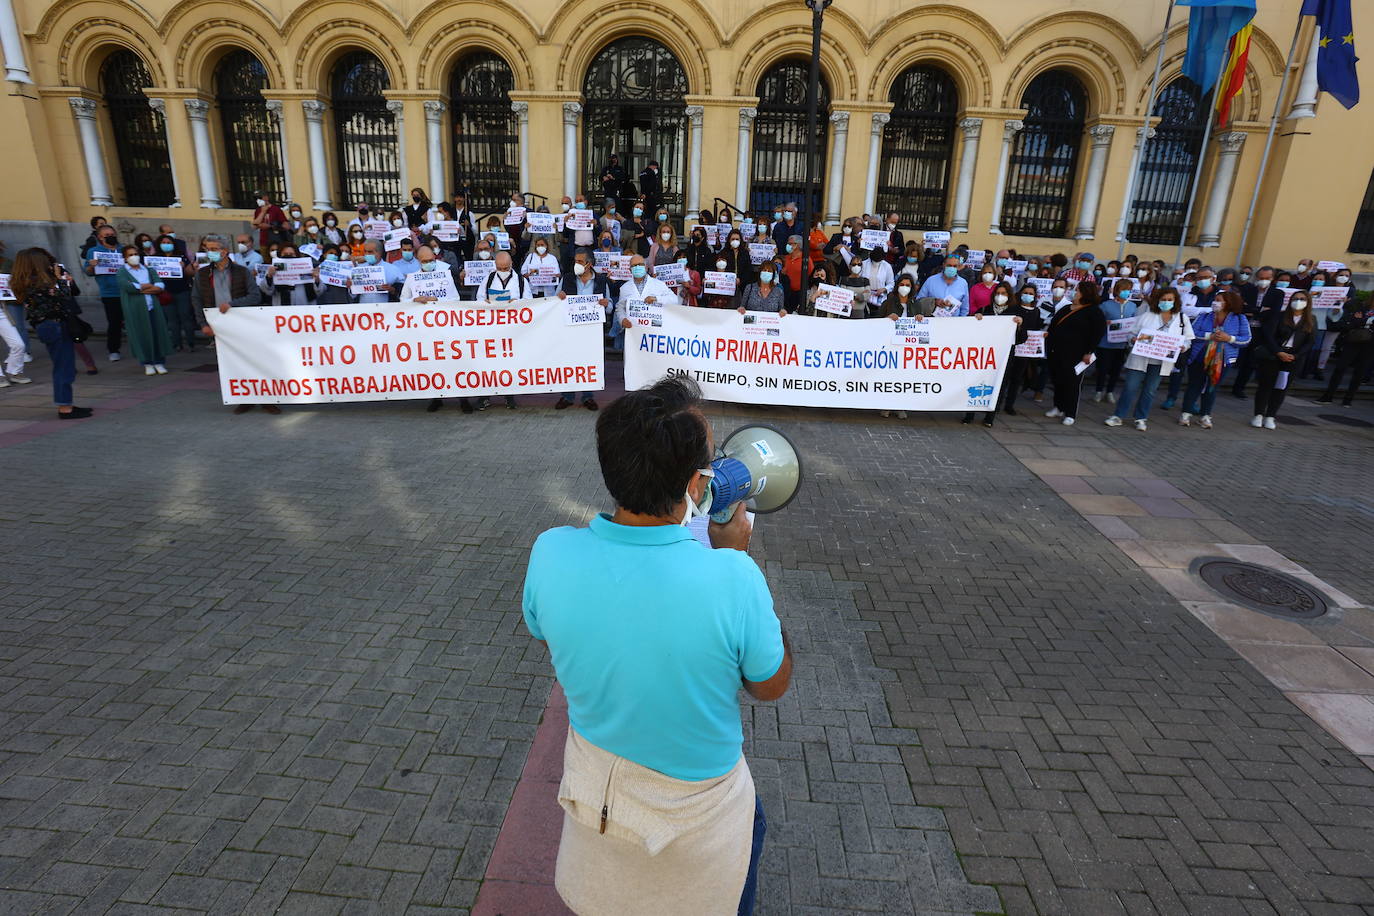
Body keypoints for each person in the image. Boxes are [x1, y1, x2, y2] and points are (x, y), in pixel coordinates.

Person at [522, 375, 791, 916]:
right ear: (695, 487)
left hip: (596, 792)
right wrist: (735, 555)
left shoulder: (550, 551)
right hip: (700, 819)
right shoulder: (731, 577)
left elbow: (542, 627)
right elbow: (771, 684)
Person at [193, 235, 271, 414]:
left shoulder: (241, 272)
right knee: (233, 364)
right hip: (219, 326)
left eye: (213, 249)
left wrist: (232, 304)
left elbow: (255, 296)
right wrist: (202, 323)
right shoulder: (203, 274)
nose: (209, 252)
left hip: (243, 325)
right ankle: (245, 399)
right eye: (207, 249)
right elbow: (196, 300)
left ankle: (267, 399)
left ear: (224, 251)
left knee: (256, 361)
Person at [13, 248, 91, 417]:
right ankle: (65, 407)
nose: (51, 265)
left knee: (63, 366)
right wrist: (61, 279)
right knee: (64, 367)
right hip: (53, 326)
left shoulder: (25, 282)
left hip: (47, 326)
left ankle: (66, 403)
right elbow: (63, 296)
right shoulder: (37, 283)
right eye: (47, 262)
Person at [1106, 287, 1193, 431]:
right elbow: (1131, 333)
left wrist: (1183, 347)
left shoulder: (1182, 318)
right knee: (1130, 387)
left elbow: (1187, 340)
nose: (1166, 302)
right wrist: (1133, 339)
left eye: (1170, 300)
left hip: (1161, 361)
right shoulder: (1147, 315)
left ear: (1175, 301)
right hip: (1140, 357)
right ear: (1157, 301)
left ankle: (1140, 418)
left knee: (1150, 390)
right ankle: (1118, 416)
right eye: (1163, 300)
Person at [1178, 289, 1251, 429]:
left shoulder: (1240, 318)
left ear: (1228, 303)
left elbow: (1246, 339)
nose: (1215, 303)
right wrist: (1208, 336)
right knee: (1194, 385)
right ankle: (1186, 413)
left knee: (1212, 386)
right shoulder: (1204, 316)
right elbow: (1192, 333)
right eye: (1215, 299)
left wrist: (1229, 338)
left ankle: (1205, 415)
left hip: (1223, 359)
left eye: (1219, 300)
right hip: (1200, 356)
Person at [551, 250, 609, 412]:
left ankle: (588, 396)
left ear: (589, 264)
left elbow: (609, 305)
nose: (576, 264)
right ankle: (567, 396)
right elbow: (556, 301)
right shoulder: (567, 278)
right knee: (569, 360)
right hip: (570, 328)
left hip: (592, 330)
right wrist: (560, 297)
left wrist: (606, 303)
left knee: (590, 361)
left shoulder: (601, 280)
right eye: (575, 260)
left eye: (580, 261)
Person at [1044, 280, 1107, 426]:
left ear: (1085, 293)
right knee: (1057, 380)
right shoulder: (1066, 308)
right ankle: (1058, 406)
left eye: (1077, 290)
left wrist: (1089, 352)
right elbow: (1054, 325)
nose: (1074, 292)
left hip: (1077, 354)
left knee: (1072, 383)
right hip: (1057, 351)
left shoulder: (1094, 311)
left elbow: (1097, 333)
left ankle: (1070, 412)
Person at [1250, 290, 1315, 429]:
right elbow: (1268, 335)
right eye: (1296, 298)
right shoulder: (1279, 316)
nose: (1298, 301)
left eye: (1302, 299)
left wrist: (1296, 356)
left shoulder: (1311, 319)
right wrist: (1278, 351)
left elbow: (1309, 342)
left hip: (1293, 358)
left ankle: (1271, 416)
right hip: (1274, 355)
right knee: (1265, 385)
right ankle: (1258, 414)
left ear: (1308, 302)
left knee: (1281, 388)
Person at [114, 245, 172, 375]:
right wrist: (144, 287)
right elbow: (128, 287)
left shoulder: (148, 269)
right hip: (135, 309)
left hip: (152, 307)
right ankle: (147, 363)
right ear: (125, 257)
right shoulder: (122, 272)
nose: (134, 256)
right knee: (141, 334)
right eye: (130, 255)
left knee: (157, 333)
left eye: (135, 253)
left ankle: (159, 361)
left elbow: (159, 285)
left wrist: (142, 288)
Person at [1317, 297, 1374, 407]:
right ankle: (1328, 396)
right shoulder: (1362, 307)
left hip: (1370, 345)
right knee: (1340, 368)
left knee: (1360, 372)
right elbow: (1351, 321)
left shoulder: (1362, 312)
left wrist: (1362, 321)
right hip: (1353, 341)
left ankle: (1348, 399)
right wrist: (1366, 322)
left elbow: (1358, 321)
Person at [1093, 279, 1138, 404]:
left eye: (1128, 290)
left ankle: (1110, 391)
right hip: (1105, 343)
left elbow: (1134, 323)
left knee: (1116, 369)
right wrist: (1104, 323)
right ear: (1117, 291)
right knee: (1103, 368)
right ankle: (1099, 390)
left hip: (1122, 344)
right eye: (1123, 290)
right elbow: (1097, 320)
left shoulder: (1132, 306)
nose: (1126, 292)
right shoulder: (1106, 305)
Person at [84, 224, 124, 361]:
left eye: (112, 234)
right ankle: (113, 349)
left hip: (128, 291)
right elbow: (88, 272)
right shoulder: (94, 252)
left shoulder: (123, 250)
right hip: (110, 293)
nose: (111, 237)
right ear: (100, 238)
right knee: (114, 323)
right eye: (107, 235)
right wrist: (92, 266)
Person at [153, 233, 197, 352]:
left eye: (169, 243)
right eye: (164, 243)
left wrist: (183, 267)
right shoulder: (155, 258)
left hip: (182, 291)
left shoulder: (181, 256)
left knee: (185, 317)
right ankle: (176, 343)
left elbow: (191, 273)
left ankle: (191, 343)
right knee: (172, 320)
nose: (166, 245)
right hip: (165, 293)